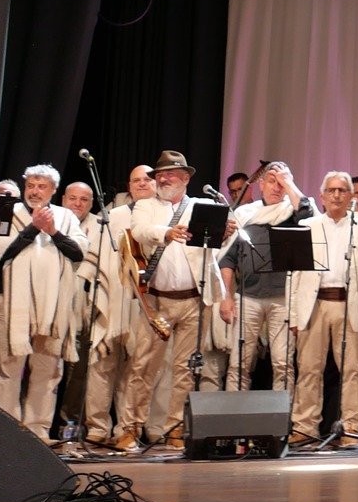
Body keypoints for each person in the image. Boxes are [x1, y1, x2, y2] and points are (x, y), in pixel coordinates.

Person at [127, 151, 232, 450]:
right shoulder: (145, 206)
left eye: (170, 173)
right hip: (157, 301)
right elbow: (140, 231)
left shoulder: (204, 206)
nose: (162, 178)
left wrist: (226, 234)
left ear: (186, 178)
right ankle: (131, 428)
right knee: (143, 367)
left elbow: (216, 246)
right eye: (160, 173)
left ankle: (175, 428)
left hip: (193, 300)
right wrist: (167, 232)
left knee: (186, 369)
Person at [0, 164, 88, 440]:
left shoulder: (66, 216)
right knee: (8, 370)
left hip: (52, 309)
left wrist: (53, 231)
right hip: (12, 306)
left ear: (53, 190)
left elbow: (79, 253)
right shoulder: (9, 211)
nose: (35, 191)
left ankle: (38, 431)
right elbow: (1, 252)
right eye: (30, 185)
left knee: (47, 373)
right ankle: (7, 432)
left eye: (41, 186)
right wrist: (33, 229)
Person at [290, 171, 358, 444]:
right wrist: (293, 314)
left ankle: (351, 427)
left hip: (348, 305)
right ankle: (304, 426)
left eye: (342, 190)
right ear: (322, 196)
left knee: (352, 371)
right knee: (308, 369)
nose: (337, 195)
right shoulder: (307, 225)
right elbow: (295, 273)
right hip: (314, 305)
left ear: (352, 196)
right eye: (331, 190)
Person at [69, 171, 148, 449]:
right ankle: (97, 426)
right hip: (114, 296)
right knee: (102, 364)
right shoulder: (112, 216)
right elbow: (98, 258)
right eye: (136, 180)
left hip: (146, 302)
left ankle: (128, 427)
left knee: (137, 368)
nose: (142, 184)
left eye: (147, 179)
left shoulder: (162, 216)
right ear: (129, 186)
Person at [222, 161, 316, 392]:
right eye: (272, 181)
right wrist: (226, 296)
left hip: (282, 299)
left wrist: (289, 183)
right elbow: (228, 258)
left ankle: (281, 421)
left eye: (282, 183)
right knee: (239, 363)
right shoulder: (244, 214)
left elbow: (309, 215)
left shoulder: (293, 211)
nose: (277, 187)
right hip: (248, 297)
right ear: (261, 184)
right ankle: (233, 418)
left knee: (283, 363)